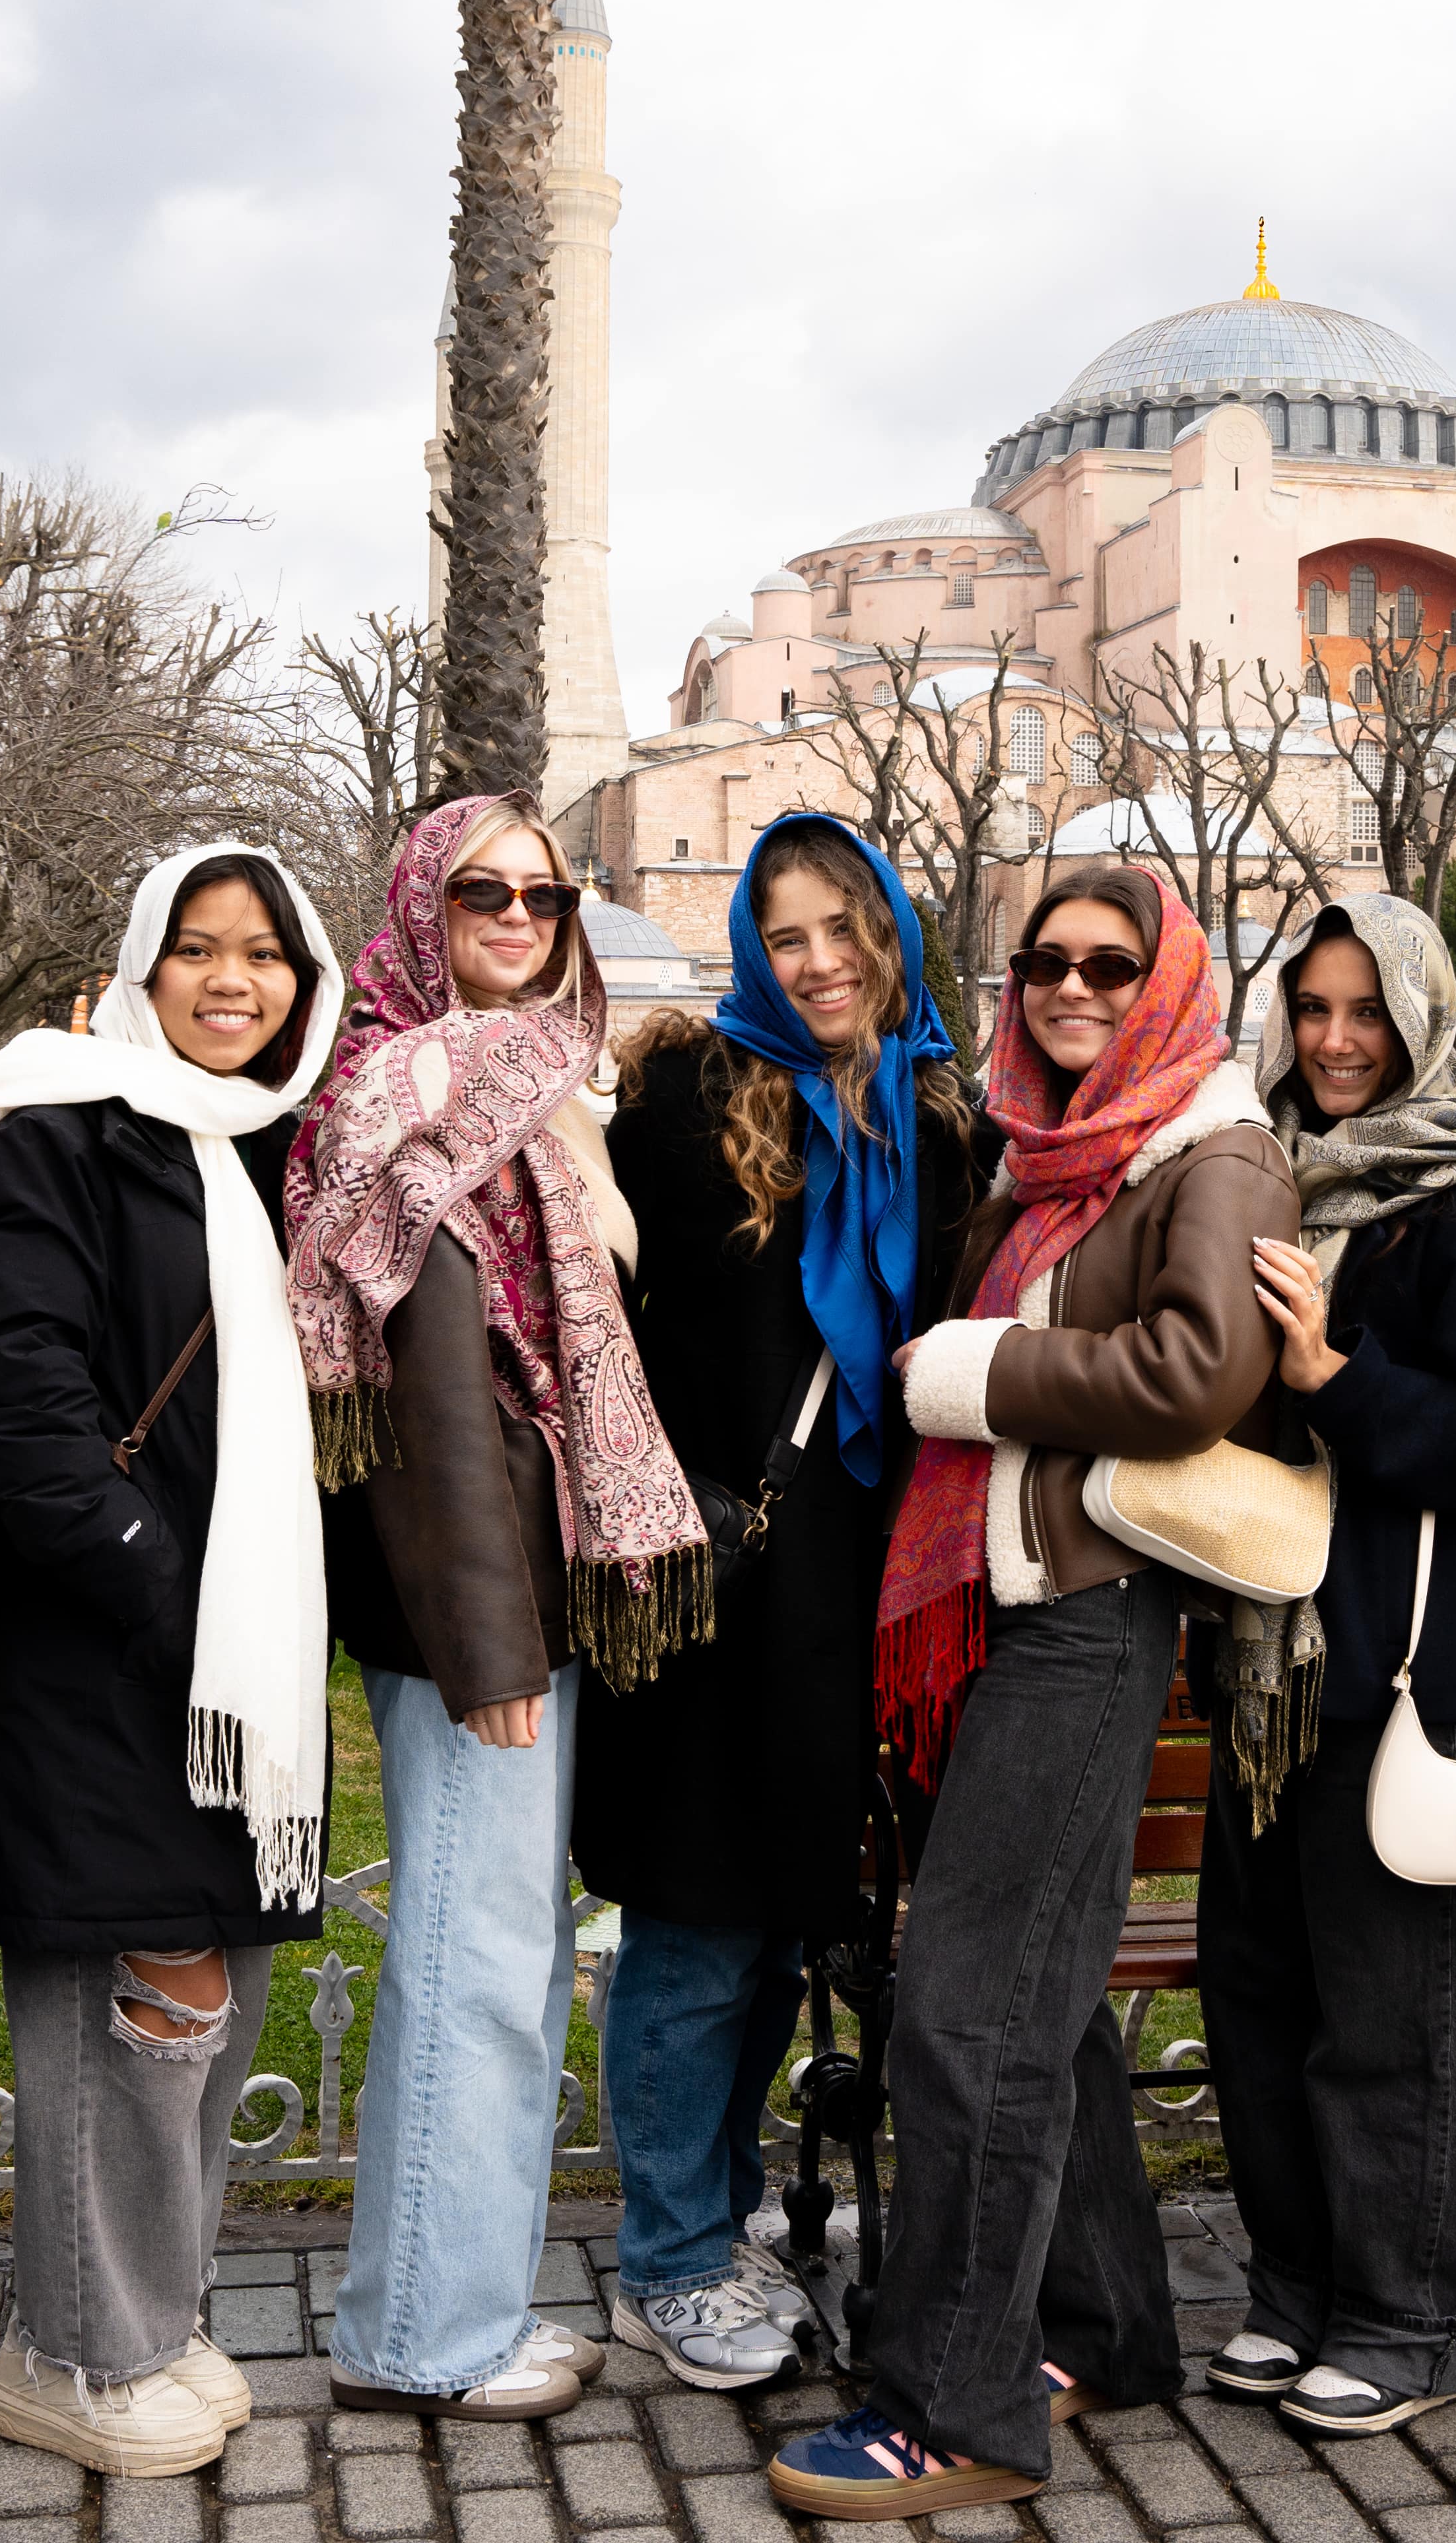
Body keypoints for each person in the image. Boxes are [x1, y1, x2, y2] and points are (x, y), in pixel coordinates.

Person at [764, 866, 1290, 2519]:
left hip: (1088, 1612)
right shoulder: (1048, 1151)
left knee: (968, 2008)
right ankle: (1103, 2324)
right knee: (1035, 2005)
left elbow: (1202, 1366)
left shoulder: (1212, 1152)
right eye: (1046, 962)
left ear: (1168, 983)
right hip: (1018, 1609)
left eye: (1109, 965)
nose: (1071, 987)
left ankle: (959, 2403)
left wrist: (972, 1373)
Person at [284, 793, 708, 2423]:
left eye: (546, 892)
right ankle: (423, 2336)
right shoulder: (406, 1086)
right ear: (418, 903)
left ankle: (450, 2300)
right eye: (485, 891)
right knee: (470, 1957)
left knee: (511, 1954)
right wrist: (483, 1646)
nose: (522, 916)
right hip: (478, 1610)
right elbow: (430, 1399)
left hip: (535, 1588)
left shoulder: (537, 1089)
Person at [0, 847, 347, 2474]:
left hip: (233, 1663)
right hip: (111, 1645)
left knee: (206, 2003)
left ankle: (156, 2320)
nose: (232, 983)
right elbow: (21, 1400)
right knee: (124, 2005)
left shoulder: (283, 1148)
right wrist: (168, 1589)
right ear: (139, 963)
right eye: (197, 951)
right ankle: (75, 2352)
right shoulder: (62, 1126)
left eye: (263, 956)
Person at [583, 816, 979, 2391]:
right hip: (714, 1578)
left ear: (891, 933)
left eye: (845, 927)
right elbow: (590, 1296)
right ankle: (669, 2259)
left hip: (858, 1595)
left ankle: (721, 2208)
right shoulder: (688, 1101)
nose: (818, 961)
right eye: (787, 932)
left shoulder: (941, 1125)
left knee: (781, 1921)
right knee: (692, 1921)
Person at [1202, 893, 1456, 2439]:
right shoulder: (1261, 1178)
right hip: (1272, 1665)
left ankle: (1413, 2317)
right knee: (1264, 1999)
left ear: (1418, 1017)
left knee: (1400, 2016)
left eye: (1368, 1010)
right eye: (1315, 1008)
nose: (1340, 1040)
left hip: (1410, 1659)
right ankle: (1296, 2290)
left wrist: (1332, 1377)